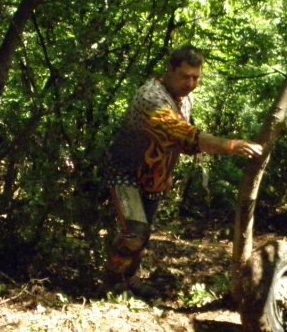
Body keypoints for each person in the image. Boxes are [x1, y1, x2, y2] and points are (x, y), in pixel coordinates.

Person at [102, 46, 262, 296]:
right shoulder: (151, 97)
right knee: (135, 232)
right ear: (170, 71)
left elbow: (182, 143)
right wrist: (230, 145)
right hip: (125, 171)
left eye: (196, 77)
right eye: (185, 76)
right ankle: (112, 283)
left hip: (154, 177)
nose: (191, 83)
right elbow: (182, 134)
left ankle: (129, 278)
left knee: (143, 234)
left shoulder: (184, 99)